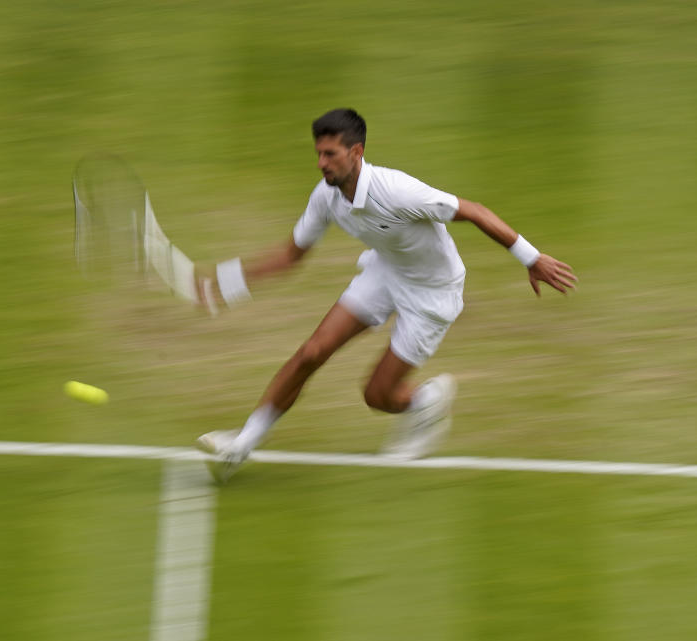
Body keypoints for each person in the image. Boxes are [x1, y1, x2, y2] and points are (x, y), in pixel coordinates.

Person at [195, 108, 577, 483]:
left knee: (377, 396)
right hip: (385, 272)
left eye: (330, 154)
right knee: (310, 353)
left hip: (433, 294)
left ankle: (425, 402)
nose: (321, 163)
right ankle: (243, 442)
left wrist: (531, 258)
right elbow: (291, 254)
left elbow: (474, 211)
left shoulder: (397, 191)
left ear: (356, 152)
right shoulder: (325, 197)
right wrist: (226, 283)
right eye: (318, 153)